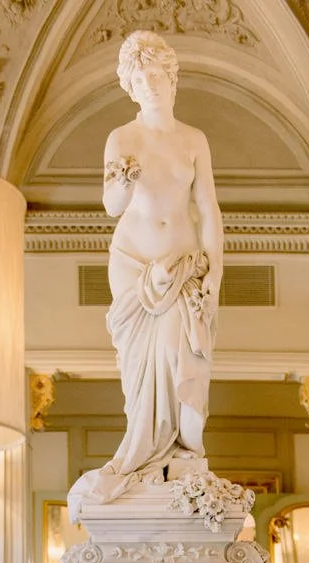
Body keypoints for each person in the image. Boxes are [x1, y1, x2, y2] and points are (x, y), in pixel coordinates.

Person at [67, 31, 223, 519]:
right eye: (141, 78)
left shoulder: (194, 139)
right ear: (130, 87)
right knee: (140, 373)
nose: (151, 84)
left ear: (172, 79)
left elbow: (209, 210)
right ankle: (141, 453)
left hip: (180, 267)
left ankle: (176, 451)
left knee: (181, 358)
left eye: (158, 74)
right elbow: (112, 207)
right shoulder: (122, 138)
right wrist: (124, 177)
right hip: (134, 265)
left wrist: (216, 271)